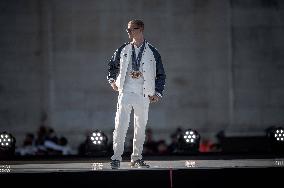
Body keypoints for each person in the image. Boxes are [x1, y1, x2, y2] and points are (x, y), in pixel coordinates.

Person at [107, 20, 166, 169]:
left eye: (132, 29)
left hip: (143, 92)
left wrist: (157, 93)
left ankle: (137, 158)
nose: (129, 32)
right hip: (125, 90)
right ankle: (116, 157)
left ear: (141, 30)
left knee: (140, 127)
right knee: (120, 126)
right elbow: (112, 65)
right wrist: (112, 80)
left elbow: (161, 74)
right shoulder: (123, 49)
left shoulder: (153, 51)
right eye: (128, 29)